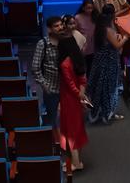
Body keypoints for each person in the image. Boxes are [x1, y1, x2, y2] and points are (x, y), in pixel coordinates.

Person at [86, 4, 127, 124]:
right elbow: (117, 45)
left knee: (100, 88)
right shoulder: (107, 29)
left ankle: (102, 112)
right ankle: (107, 113)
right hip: (108, 62)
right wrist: (125, 37)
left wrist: (117, 36)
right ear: (112, 15)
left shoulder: (99, 27)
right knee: (109, 89)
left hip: (100, 61)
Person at [57, 37, 89, 172]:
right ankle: (79, 161)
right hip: (76, 99)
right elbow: (82, 79)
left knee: (71, 132)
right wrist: (82, 95)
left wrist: (78, 94)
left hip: (69, 99)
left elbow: (70, 85)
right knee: (77, 128)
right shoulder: (78, 59)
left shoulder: (65, 64)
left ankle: (75, 163)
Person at [30, 17, 63, 127]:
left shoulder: (66, 40)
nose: (60, 28)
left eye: (61, 25)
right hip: (51, 88)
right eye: (56, 26)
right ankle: (52, 140)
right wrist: (44, 85)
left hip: (66, 87)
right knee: (51, 117)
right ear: (49, 29)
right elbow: (35, 67)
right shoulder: (42, 44)